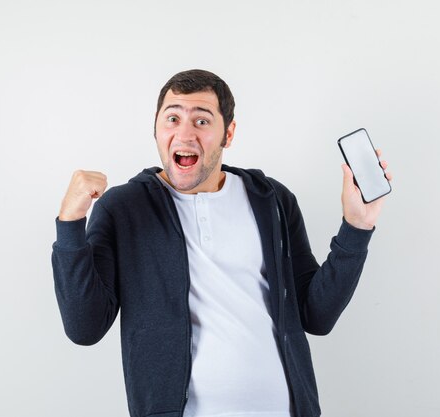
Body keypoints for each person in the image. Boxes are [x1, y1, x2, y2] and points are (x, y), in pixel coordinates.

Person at [52, 69, 392, 417]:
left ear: (228, 133)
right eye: (172, 118)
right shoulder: (123, 208)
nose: (184, 133)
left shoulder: (272, 199)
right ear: (156, 128)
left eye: (202, 121)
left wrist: (357, 226)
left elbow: (316, 316)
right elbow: (84, 326)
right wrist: (70, 224)